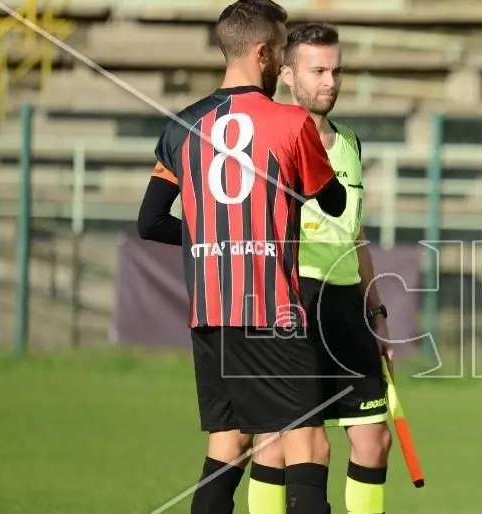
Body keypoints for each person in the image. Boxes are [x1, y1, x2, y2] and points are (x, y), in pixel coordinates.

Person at [135, 1, 347, 513]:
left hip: (209, 314)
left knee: (228, 445)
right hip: (269, 311)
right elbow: (335, 202)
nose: (279, 65)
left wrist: (214, 239)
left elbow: (150, 221)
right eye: (278, 53)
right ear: (262, 52)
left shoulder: (180, 127)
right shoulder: (291, 123)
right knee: (308, 445)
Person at [244, 22, 394, 514]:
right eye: (318, 71)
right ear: (287, 74)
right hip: (291, 301)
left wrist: (377, 313)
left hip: (347, 305)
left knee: (373, 441)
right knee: (279, 442)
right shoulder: (269, 137)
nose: (330, 81)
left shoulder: (349, 141)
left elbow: (355, 236)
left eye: (337, 70)